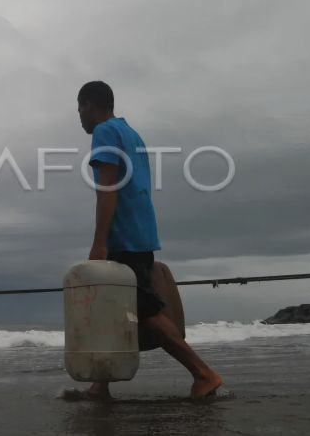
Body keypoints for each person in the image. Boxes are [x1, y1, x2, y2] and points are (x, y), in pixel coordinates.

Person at [77, 80, 223, 398]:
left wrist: (100, 241)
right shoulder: (132, 134)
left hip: (124, 235)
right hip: (141, 231)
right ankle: (99, 385)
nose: (80, 117)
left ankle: (204, 374)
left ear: (89, 104)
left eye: (79, 109)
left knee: (142, 309)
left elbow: (108, 190)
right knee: (114, 309)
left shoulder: (104, 131)